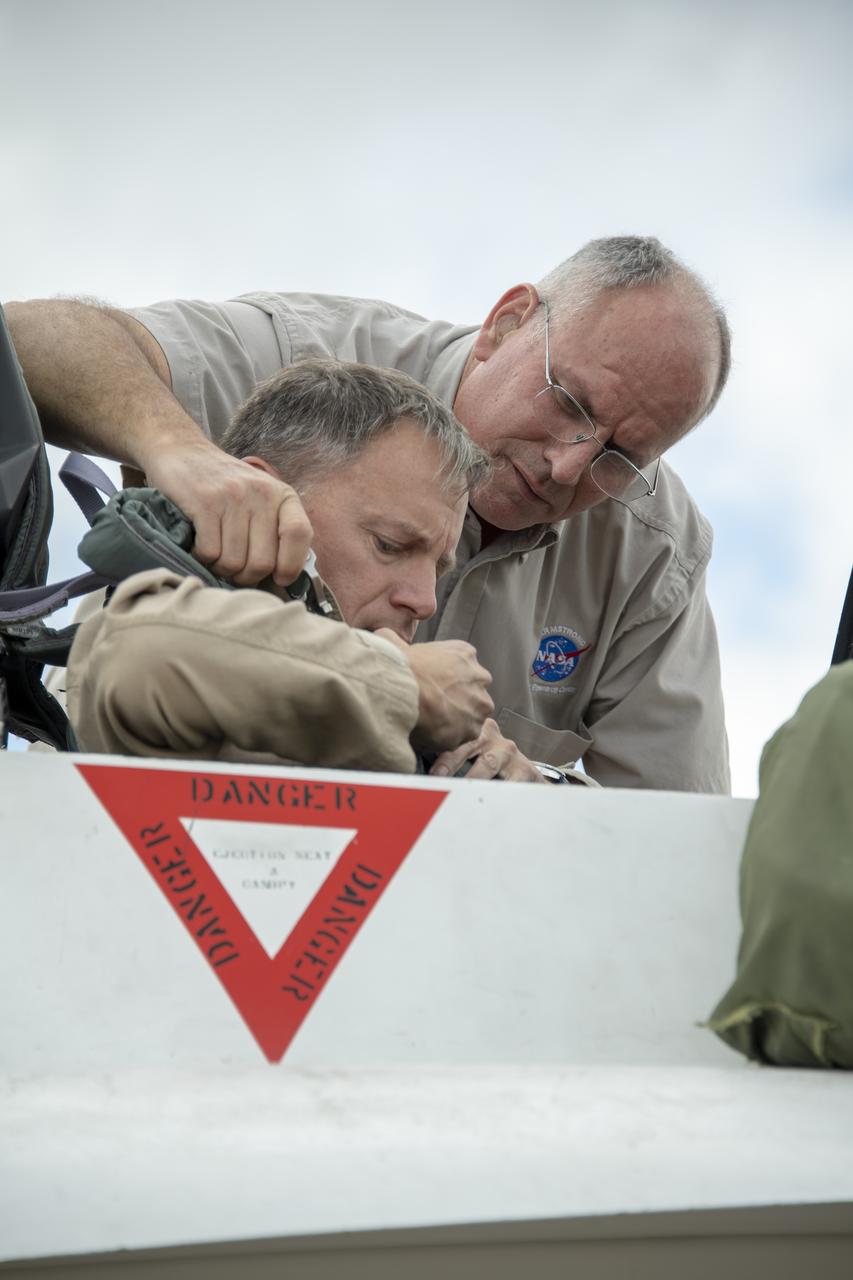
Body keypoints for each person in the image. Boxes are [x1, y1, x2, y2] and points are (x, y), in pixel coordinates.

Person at [8, 235, 731, 791]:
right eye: (570, 402)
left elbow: (674, 835)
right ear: (506, 325)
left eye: (622, 457)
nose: (569, 465)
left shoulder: (653, 552)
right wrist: (180, 451)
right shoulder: (308, 365)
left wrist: (531, 795)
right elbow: (26, 342)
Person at [67, 359, 548, 782]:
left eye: (438, 567)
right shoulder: (160, 636)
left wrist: (508, 779)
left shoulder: (383, 713)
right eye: (390, 544)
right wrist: (402, 682)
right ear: (257, 496)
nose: (425, 601)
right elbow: (141, 652)